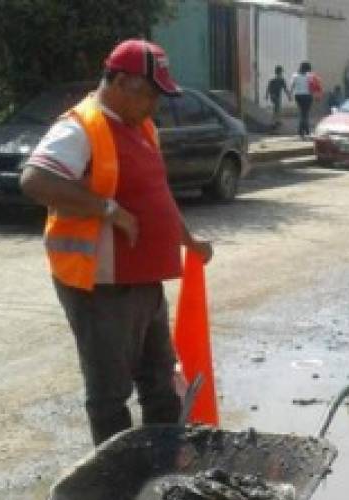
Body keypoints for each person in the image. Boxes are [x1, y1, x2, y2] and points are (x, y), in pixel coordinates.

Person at [20, 39, 214, 446]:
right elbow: (35, 180)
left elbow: (156, 194)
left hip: (144, 281)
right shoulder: (80, 127)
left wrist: (188, 239)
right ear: (123, 82)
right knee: (110, 393)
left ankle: (162, 469)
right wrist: (107, 210)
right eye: (150, 95)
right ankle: (116, 483)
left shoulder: (140, 127)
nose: (154, 106)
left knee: (160, 382)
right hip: (101, 287)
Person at [290, 62, 317, 138]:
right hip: (307, 96)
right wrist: (314, 95)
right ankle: (305, 131)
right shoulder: (310, 76)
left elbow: (292, 86)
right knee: (305, 114)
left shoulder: (295, 75)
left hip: (298, 96)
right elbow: (313, 87)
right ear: (307, 69)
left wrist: (290, 95)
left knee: (302, 113)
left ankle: (303, 131)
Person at [266, 65, 291, 130]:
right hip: (276, 96)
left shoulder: (272, 79)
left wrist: (267, 95)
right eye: (281, 72)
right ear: (280, 72)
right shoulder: (281, 80)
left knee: (277, 108)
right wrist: (289, 96)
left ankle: (277, 121)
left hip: (273, 96)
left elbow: (268, 88)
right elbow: (285, 89)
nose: (281, 73)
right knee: (276, 109)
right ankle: (273, 123)